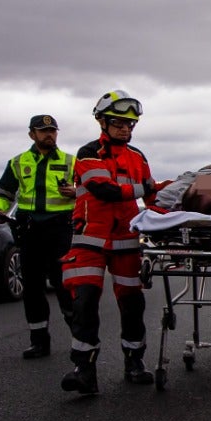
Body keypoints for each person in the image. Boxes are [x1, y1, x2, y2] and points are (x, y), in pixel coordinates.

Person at [60, 91, 165, 394]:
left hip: (126, 240)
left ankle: (134, 361)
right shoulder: (88, 153)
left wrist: (183, 200)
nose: (125, 129)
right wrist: (145, 188)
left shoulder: (138, 157)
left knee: (132, 304)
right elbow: (104, 189)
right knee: (85, 302)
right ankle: (84, 369)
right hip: (89, 240)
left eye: (131, 124)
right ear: (102, 121)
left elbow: (153, 197)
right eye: (119, 122)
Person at [0, 114, 77, 360]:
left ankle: (79, 340)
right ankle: (39, 342)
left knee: (65, 285)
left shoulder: (72, 161)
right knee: (33, 288)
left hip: (61, 230)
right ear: (32, 135)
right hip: (29, 230)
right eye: (43, 131)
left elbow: (88, 191)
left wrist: (75, 192)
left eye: (52, 130)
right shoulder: (18, 162)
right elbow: (4, 193)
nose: (49, 135)